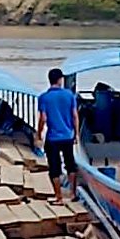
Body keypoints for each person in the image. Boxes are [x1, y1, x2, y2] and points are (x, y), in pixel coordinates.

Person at [37, 67, 79, 204]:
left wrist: (39, 134)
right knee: (70, 165)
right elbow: (75, 116)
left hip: (53, 138)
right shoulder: (69, 95)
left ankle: (59, 197)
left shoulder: (44, 97)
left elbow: (43, 118)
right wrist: (76, 134)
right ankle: (73, 194)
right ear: (60, 80)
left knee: (54, 168)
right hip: (68, 136)